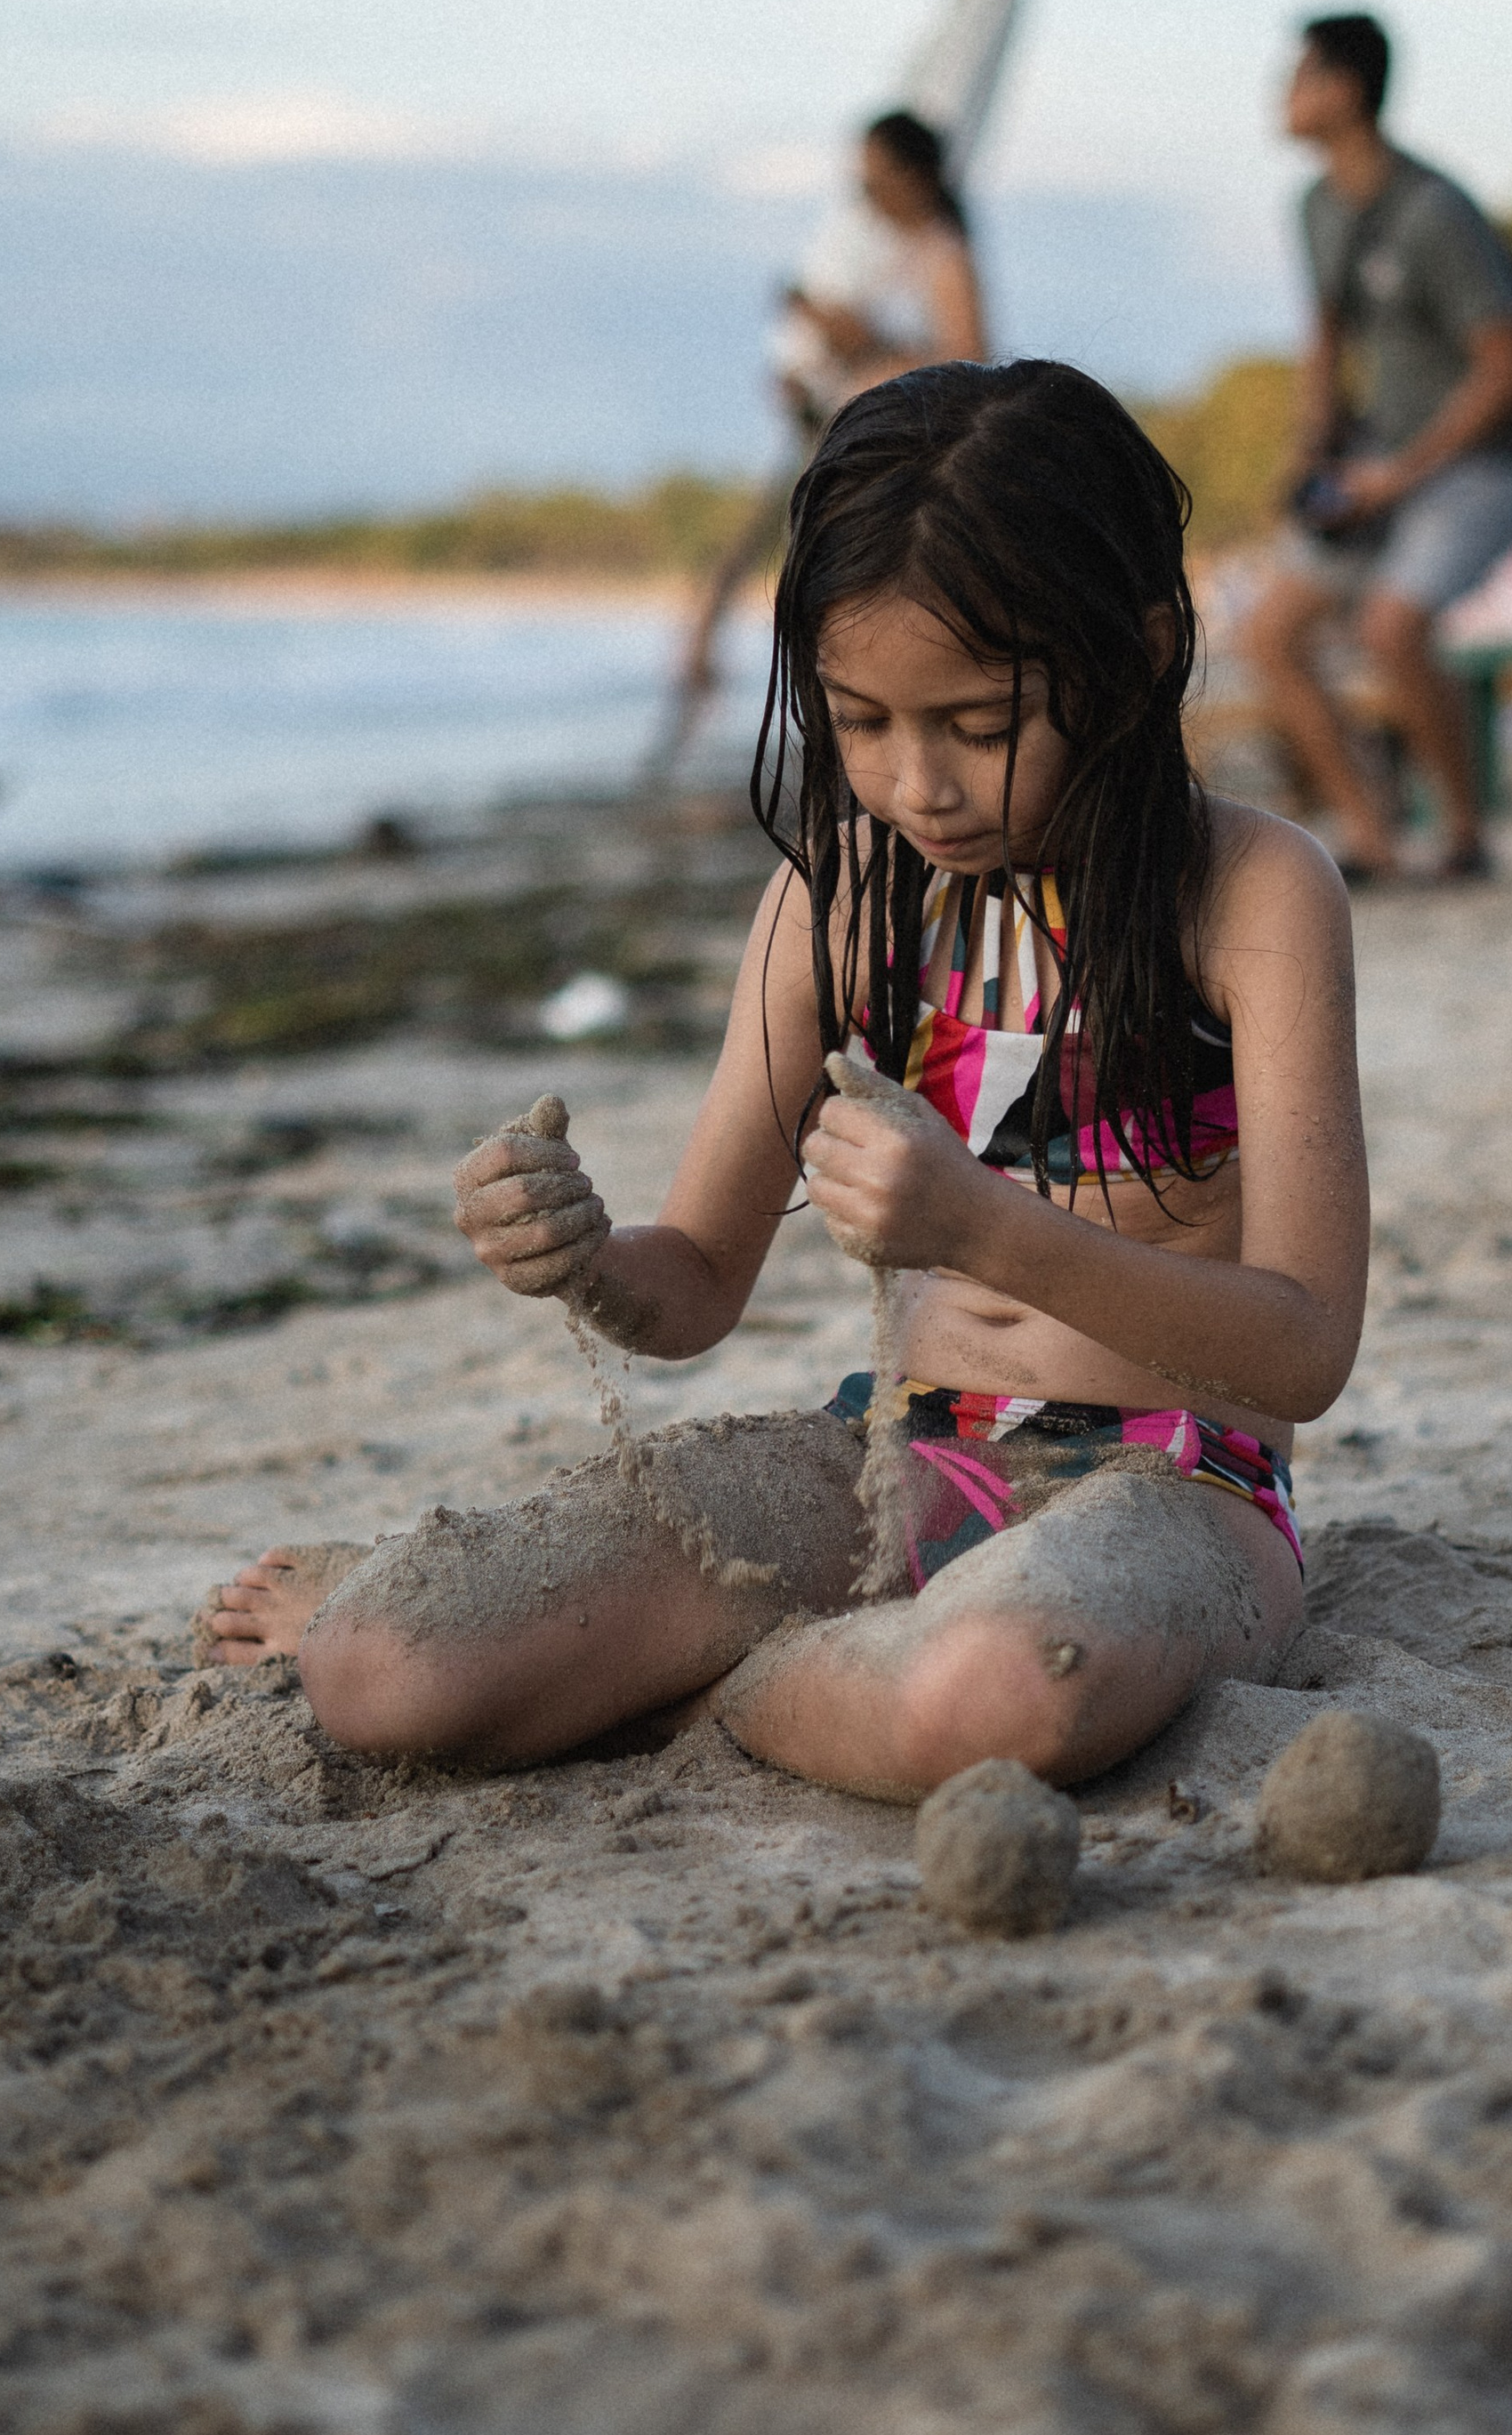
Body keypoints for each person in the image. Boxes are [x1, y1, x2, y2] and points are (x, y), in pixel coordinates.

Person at [200, 360, 1369, 1803]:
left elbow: (1305, 1345)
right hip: (889, 1458)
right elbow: (693, 1286)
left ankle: (729, 1683)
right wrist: (582, 1259)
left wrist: (982, 1230)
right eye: (861, 721)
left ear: (1135, 660)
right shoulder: (841, 900)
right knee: (382, 1667)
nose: (916, 785)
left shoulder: (1253, 895)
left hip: (1173, 1487)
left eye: (979, 727)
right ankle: (814, 1670)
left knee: (998, 1692)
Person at [1238, 14, 1512, 882]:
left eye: (1298, 76)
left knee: (1392, 628)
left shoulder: (1434, 212)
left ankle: (1464, 833)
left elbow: (1510, 367)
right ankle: (1369, 833)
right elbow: (1326, 338)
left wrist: (1400, 476)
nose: (1281, 94)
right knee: (1269, 636)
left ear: (1344, 90)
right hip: (1380, 461)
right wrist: (1311, 454)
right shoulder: (1316, 207)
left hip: (1480, 463)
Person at [659, 111, 989, 769]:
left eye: (877, 179)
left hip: (899, 466)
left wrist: (863, 343)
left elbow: (970, 365)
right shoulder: (890, 252)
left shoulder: (943, 254)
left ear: (917, 178)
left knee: (857, 602)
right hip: (851, 446)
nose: (866, 193)